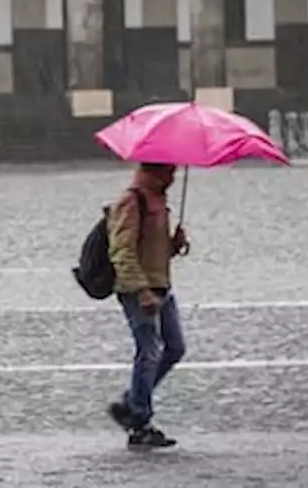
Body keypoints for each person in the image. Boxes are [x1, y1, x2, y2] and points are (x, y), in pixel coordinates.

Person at [104, 162, 190, 449]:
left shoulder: (158, 201)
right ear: (154, 171)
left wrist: (172, 246)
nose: (173, 178)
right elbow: (122, 251)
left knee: (174, 347)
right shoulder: (132, 200)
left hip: (161, 286)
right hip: (140, 290)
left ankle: (132, 402)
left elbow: (151, 249)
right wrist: (141, 291)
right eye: (169, 172)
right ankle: (140, 423)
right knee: (149, 352)